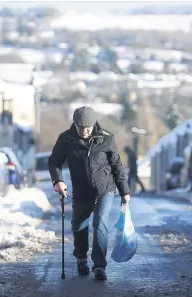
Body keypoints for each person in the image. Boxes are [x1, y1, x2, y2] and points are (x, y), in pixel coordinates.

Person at [49, 106, 131, 281]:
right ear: (75, 124)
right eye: (80, 127)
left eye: (87, 127)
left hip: (105, 189)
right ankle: (81, 258)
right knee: (79, 225)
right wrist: (58, 180)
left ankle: (99, 266)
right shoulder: (66, 139)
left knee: (100, 224)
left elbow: (116, 164)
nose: (84, 131)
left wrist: (124, 190)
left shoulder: (106, 138)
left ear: (94, 124)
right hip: (81, 190)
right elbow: (54, 161)